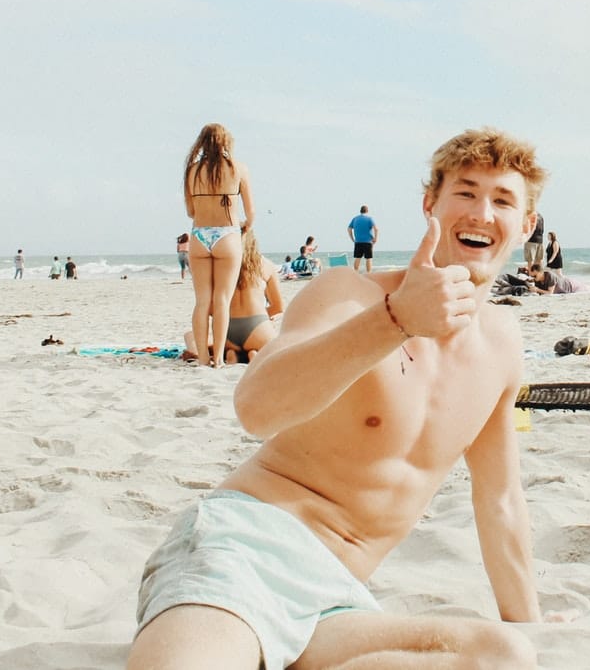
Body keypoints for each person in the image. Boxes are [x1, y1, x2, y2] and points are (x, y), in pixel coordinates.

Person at [126, 127, 546, 669]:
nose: (482, 212)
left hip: (337, 603)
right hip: (243, 552)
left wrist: (531, 622)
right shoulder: (350, 294)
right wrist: (394, 321)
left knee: (503, 655)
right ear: (430, 207)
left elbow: (501, 500)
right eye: (465, 192)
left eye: (503, 200)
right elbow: (256, 408)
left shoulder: (501, 347)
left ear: (527, 223)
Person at [184, 123, 255, 368]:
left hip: (200, 236)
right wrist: (244, 226)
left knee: (202, 300)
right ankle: (218, 360)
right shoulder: (238, 168)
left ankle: (203, 357)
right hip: (228, 234)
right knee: (222, 300)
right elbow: (251, 213)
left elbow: (190, 211)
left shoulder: (192, 171)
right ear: (227, 142)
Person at [185, 228, 284, 365]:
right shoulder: (266, 265)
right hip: (258, 328)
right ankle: (253, 354)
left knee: (190, 335)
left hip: (228, 330)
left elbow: (209, 308)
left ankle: (232, 354)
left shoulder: (220, 267)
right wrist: (261, 317)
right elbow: (279, 307)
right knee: (275, 340)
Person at [348, 205, 378, 272]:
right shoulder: (369, 219)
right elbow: (376, 229)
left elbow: (349, 229)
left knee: (358, 258)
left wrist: (352, 238)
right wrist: (375, 238)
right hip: (368, 242)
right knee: (368, 258)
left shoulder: (355, 218)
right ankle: (368, 273)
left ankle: (355, 272)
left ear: (360, 211)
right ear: (367, 211)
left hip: (358, 241)